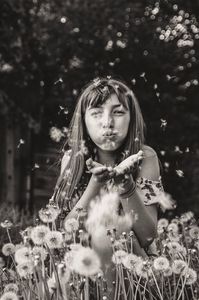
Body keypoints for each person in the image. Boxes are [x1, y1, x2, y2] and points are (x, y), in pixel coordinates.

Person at [50, 77, 163, 298]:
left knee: (107, 233)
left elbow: (148, 236)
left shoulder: (145, 157)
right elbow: (66, 232)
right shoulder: (73, 159)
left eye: (118, 112)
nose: (107, 122)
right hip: (81, 267)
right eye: (96, 112)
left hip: (134, 273)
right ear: (83, 120)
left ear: (132, 119)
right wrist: (95, 184)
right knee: (60, 272)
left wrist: (125, 185)